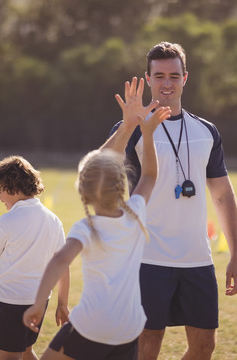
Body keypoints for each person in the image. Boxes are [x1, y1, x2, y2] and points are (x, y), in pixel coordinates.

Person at [104, 42, 237, 359]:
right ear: (148, 78)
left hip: (197, 259)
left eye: (174, 75)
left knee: (204, 347)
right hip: (147, 258)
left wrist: (235, 253)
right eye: (160, 75)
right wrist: (129, 124)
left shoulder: (206, 130)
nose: (167, 83)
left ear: (185, 78)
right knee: (147, 345)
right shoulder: (134, 127)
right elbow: (99, 165)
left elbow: (222, 194)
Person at [22, 78, 172, 360]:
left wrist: (38, 304)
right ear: (122, 184)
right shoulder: (136, 214)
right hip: (130, 328)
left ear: (84, 193)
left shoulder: (87, 228)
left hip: (92, 327)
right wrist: (148, 133)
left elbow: (58, 262)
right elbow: (150, 175)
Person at [0, 155, 70, 360]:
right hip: (39, 302)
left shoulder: (6, 221)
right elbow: (62, 265)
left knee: (11, 356)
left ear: (13, 187)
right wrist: (62, 303)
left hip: (9, 301)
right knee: (26, 350)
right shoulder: (53, 220)